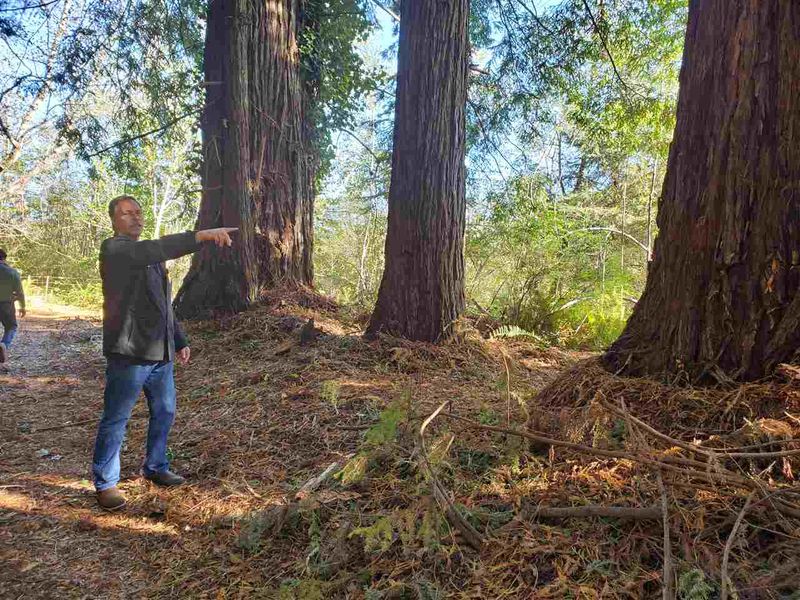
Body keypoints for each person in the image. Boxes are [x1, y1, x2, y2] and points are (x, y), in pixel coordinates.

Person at [92, 194, 237, 511]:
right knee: (116, 418)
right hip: (129, 353)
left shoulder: (152, 258)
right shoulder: (115, 250)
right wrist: (199, 236)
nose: (135, 217)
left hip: (161, 352)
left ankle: (155, 466)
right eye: (127, 213)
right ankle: (106, 484)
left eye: (138, 212)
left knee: (165, 411)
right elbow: (151, 249)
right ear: (114, 220)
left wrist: (179, 339)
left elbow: (163, 303)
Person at [0, 248, 26, 364]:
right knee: (11, 326)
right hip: (6, 305)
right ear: (4, 259)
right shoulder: (12, 272)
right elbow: (19, 292)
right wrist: (22, 306)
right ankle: (4, 345)